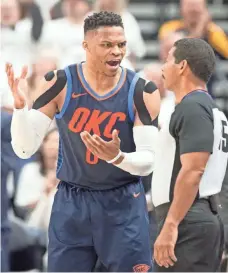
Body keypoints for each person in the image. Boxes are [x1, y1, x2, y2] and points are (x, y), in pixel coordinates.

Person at [6, 11, 160, 272]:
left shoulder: (142, 91)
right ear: (86, 46)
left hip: (123, 202)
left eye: (121, 45)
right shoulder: (59, 83)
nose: (116, 52)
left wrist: (117, 157)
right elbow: (24, 149)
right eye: (107, 45)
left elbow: (148, 161)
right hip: (72, 201)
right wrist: (20, 109)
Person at [151, 37, 228, 272]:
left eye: (167, 60)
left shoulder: (192, 107)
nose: (163, 67)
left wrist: (171, 224)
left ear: (182, 66)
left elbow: (194, 170)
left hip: (187, 219)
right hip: (198, 217)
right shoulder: (210, 109)